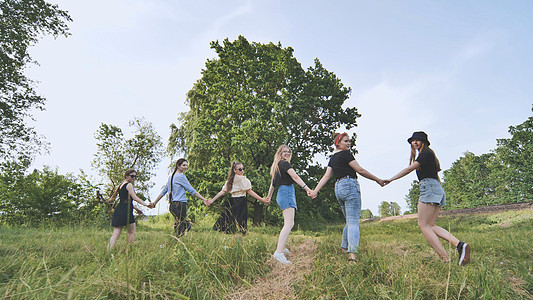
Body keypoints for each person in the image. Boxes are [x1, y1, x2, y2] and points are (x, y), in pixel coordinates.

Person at [385, 131, 471, 265]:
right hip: (436, 187)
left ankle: (445, 258)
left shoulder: (425, 154)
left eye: (417, 140)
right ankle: (460, 245)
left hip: (429, 187)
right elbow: (437, 177)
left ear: (423, 142)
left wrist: (391, 179)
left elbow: (409, 169)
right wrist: (440, 192)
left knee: (423, 225)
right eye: (413, 141)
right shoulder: (429, 155)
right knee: (430, 225)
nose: (414, 142)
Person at [309, 133, 385, 262]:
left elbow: (327, 176)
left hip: (338, 188)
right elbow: (360, 170)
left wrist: (316, 190)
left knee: (350, 220)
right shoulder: (346, 154)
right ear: (338, 143)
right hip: (349, 185)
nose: (349, 143)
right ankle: (352, 256)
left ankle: (344, 247)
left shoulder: (333, 158)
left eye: (349, 141)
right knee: (354, 221)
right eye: (346, 141)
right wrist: (377, 180)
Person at [266, 145, 313, 265]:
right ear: (280, 153)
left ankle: (281, 247)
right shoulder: (285, 164)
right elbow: (295, 177)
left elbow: (273, 184)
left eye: (289, 151)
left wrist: (269, 197)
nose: (287, 153)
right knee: (289, 223)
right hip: (286, 192)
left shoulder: (277, 166)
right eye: (284, 151)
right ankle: (279, 253)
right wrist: (307, 189)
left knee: (287, 223)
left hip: (282, 193)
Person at [149, 158, 209, 237]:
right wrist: (204, 199)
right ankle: (174, 240)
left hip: (173, 206)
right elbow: (191, 190)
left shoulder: (171, 177)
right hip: (180, 204)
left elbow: (164, 191)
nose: (186, 167)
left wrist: (154, 203)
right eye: (184, 165)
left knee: (179, 225)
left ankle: (175, 241)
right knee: (184, 226)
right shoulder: (180, 176)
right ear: (178, 166)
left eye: (186, 165)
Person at [207, 162, 270, 234]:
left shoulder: (230, 180)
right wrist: (262, 199)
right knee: (239, 222)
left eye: (243, 169)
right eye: (240, 169)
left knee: (229, 221)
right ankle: (238, 237)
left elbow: (223, 191)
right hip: (240, 201)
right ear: (234, 170)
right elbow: (249, 191)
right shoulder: (241, 179)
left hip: (233, 201)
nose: (242, 170)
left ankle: (235, 237)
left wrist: (212, 200)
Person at [108, 169, 151, 250]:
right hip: (126, 212)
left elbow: (126, 201)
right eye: (132, 176)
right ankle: (129, 250)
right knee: (132, 233)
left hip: (119, 210)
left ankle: (108, 250)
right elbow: (134, 197)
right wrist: (146, 204)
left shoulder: (121, 185)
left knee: (115, 234)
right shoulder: (129, 185)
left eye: (135, 176)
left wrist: (137, 209)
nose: (133, 178)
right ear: (126, 176)